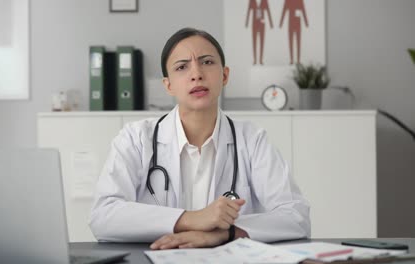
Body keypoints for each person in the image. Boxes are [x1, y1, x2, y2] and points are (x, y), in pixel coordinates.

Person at [89, 27, 310, 249]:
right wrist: (194, 219)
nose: (196, 74)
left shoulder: (252, 140)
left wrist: (225, 234)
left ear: (224, 75)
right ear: (168, 85)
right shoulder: (136, 138)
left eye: (206, 62)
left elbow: (296, 216)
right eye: (182, 67)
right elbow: (103, 215)